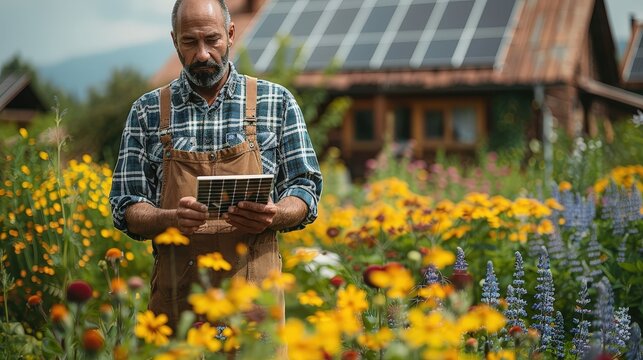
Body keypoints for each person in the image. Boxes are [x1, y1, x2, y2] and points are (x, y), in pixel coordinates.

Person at [109, 0, 322, 332]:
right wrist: (169, 219)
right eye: (190, 42)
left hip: (255, 310)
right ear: (174, 40)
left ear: (231, 34)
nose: (203, 54)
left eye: (212, 39)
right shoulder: (147, 111)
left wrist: (274, 213)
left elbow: (305, 189)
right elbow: (125, 205)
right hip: (178, 309)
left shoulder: (276, 101)